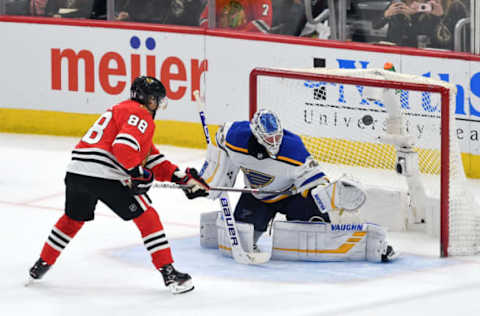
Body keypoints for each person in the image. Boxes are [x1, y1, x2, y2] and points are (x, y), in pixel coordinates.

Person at [28, 76, 209, 294]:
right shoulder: (140, 114)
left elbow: (150, 157)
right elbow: (124, 148)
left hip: (77, 172)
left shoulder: (122, 110)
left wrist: (182, 179)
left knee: (72, 219)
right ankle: (169, 274)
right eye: (156, 100)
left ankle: (42, 264)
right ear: (147, 100)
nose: (157, 105)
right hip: (106, 175)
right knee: (148, 217)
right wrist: (136, 172)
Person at [201, 109, 397, 262]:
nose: (275, 142)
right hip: (257, 195)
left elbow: (315, 183)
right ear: (257, 135)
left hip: (292, 196)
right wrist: (211, 175)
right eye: (269, 139)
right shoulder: (236, 136)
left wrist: (329, 193)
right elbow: (219, 139)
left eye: (277, 136)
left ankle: (368, 245)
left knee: (317, 233)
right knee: (240, 238)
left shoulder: (293, 148)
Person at [373, 0, 445, 48]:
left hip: (418, 53)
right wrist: (386, 15)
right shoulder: (398, 5)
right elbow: (375, 25)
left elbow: (441, 40)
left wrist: (440, 17)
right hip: (394, 50)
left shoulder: (430, 8)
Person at [199, 0, 272, 33]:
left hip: (248, 45)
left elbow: (264, 22)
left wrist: (238, 35)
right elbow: (205, 19)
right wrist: (216, 34)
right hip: (220, 42)